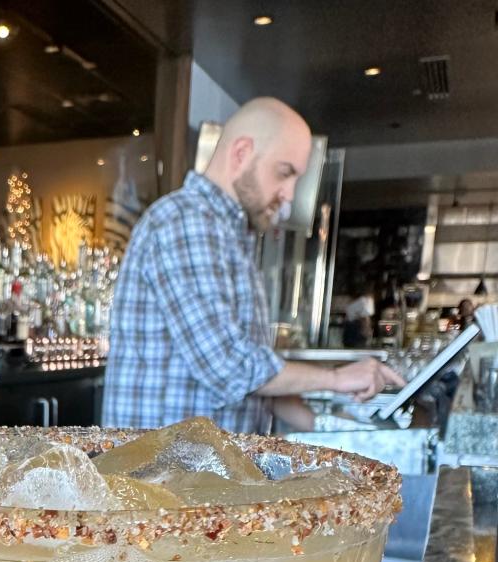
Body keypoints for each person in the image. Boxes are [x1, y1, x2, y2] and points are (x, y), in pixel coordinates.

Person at [103, 98, 404, 432]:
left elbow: (254, 384)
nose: (289, 194)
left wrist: (335, 432)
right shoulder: (186, 221)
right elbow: (228, 367)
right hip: (163, 478)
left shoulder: (229, 235)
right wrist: (336, 379)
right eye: (284, 173)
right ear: (241, 153)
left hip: (204, 475)